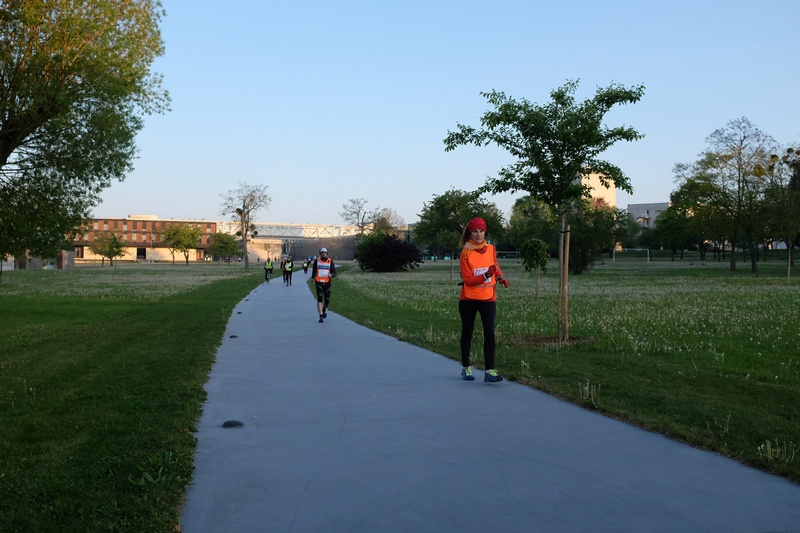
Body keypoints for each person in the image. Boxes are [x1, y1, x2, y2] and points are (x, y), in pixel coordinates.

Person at [457, 217, 509, 383]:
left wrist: (500, 277)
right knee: (468, 332)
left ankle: (490, 371)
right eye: (475, 231)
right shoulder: (465, 253)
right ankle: (466, 367)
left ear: (485, 232)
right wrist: (486, 274)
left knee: (490, 333)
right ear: (469, 233)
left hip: (488, 298)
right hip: (468, 299)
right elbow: (468, 280)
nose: (478, 234)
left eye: (481, 231)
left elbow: (495, 265)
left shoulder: (491, 249)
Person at [311, 247, 336, 323]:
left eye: (325, 252)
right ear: (320, 253)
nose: (324, 253)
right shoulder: (317, 261)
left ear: (327, 253)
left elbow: (334, 272)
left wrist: (331, 274)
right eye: (322, 252)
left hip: (327, 282)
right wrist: (312, 278)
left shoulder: (330, 261)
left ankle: (324, 308)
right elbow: (314, 270)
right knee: (320, 299)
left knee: (327, 301)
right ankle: (321, 316)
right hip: (318, 282)